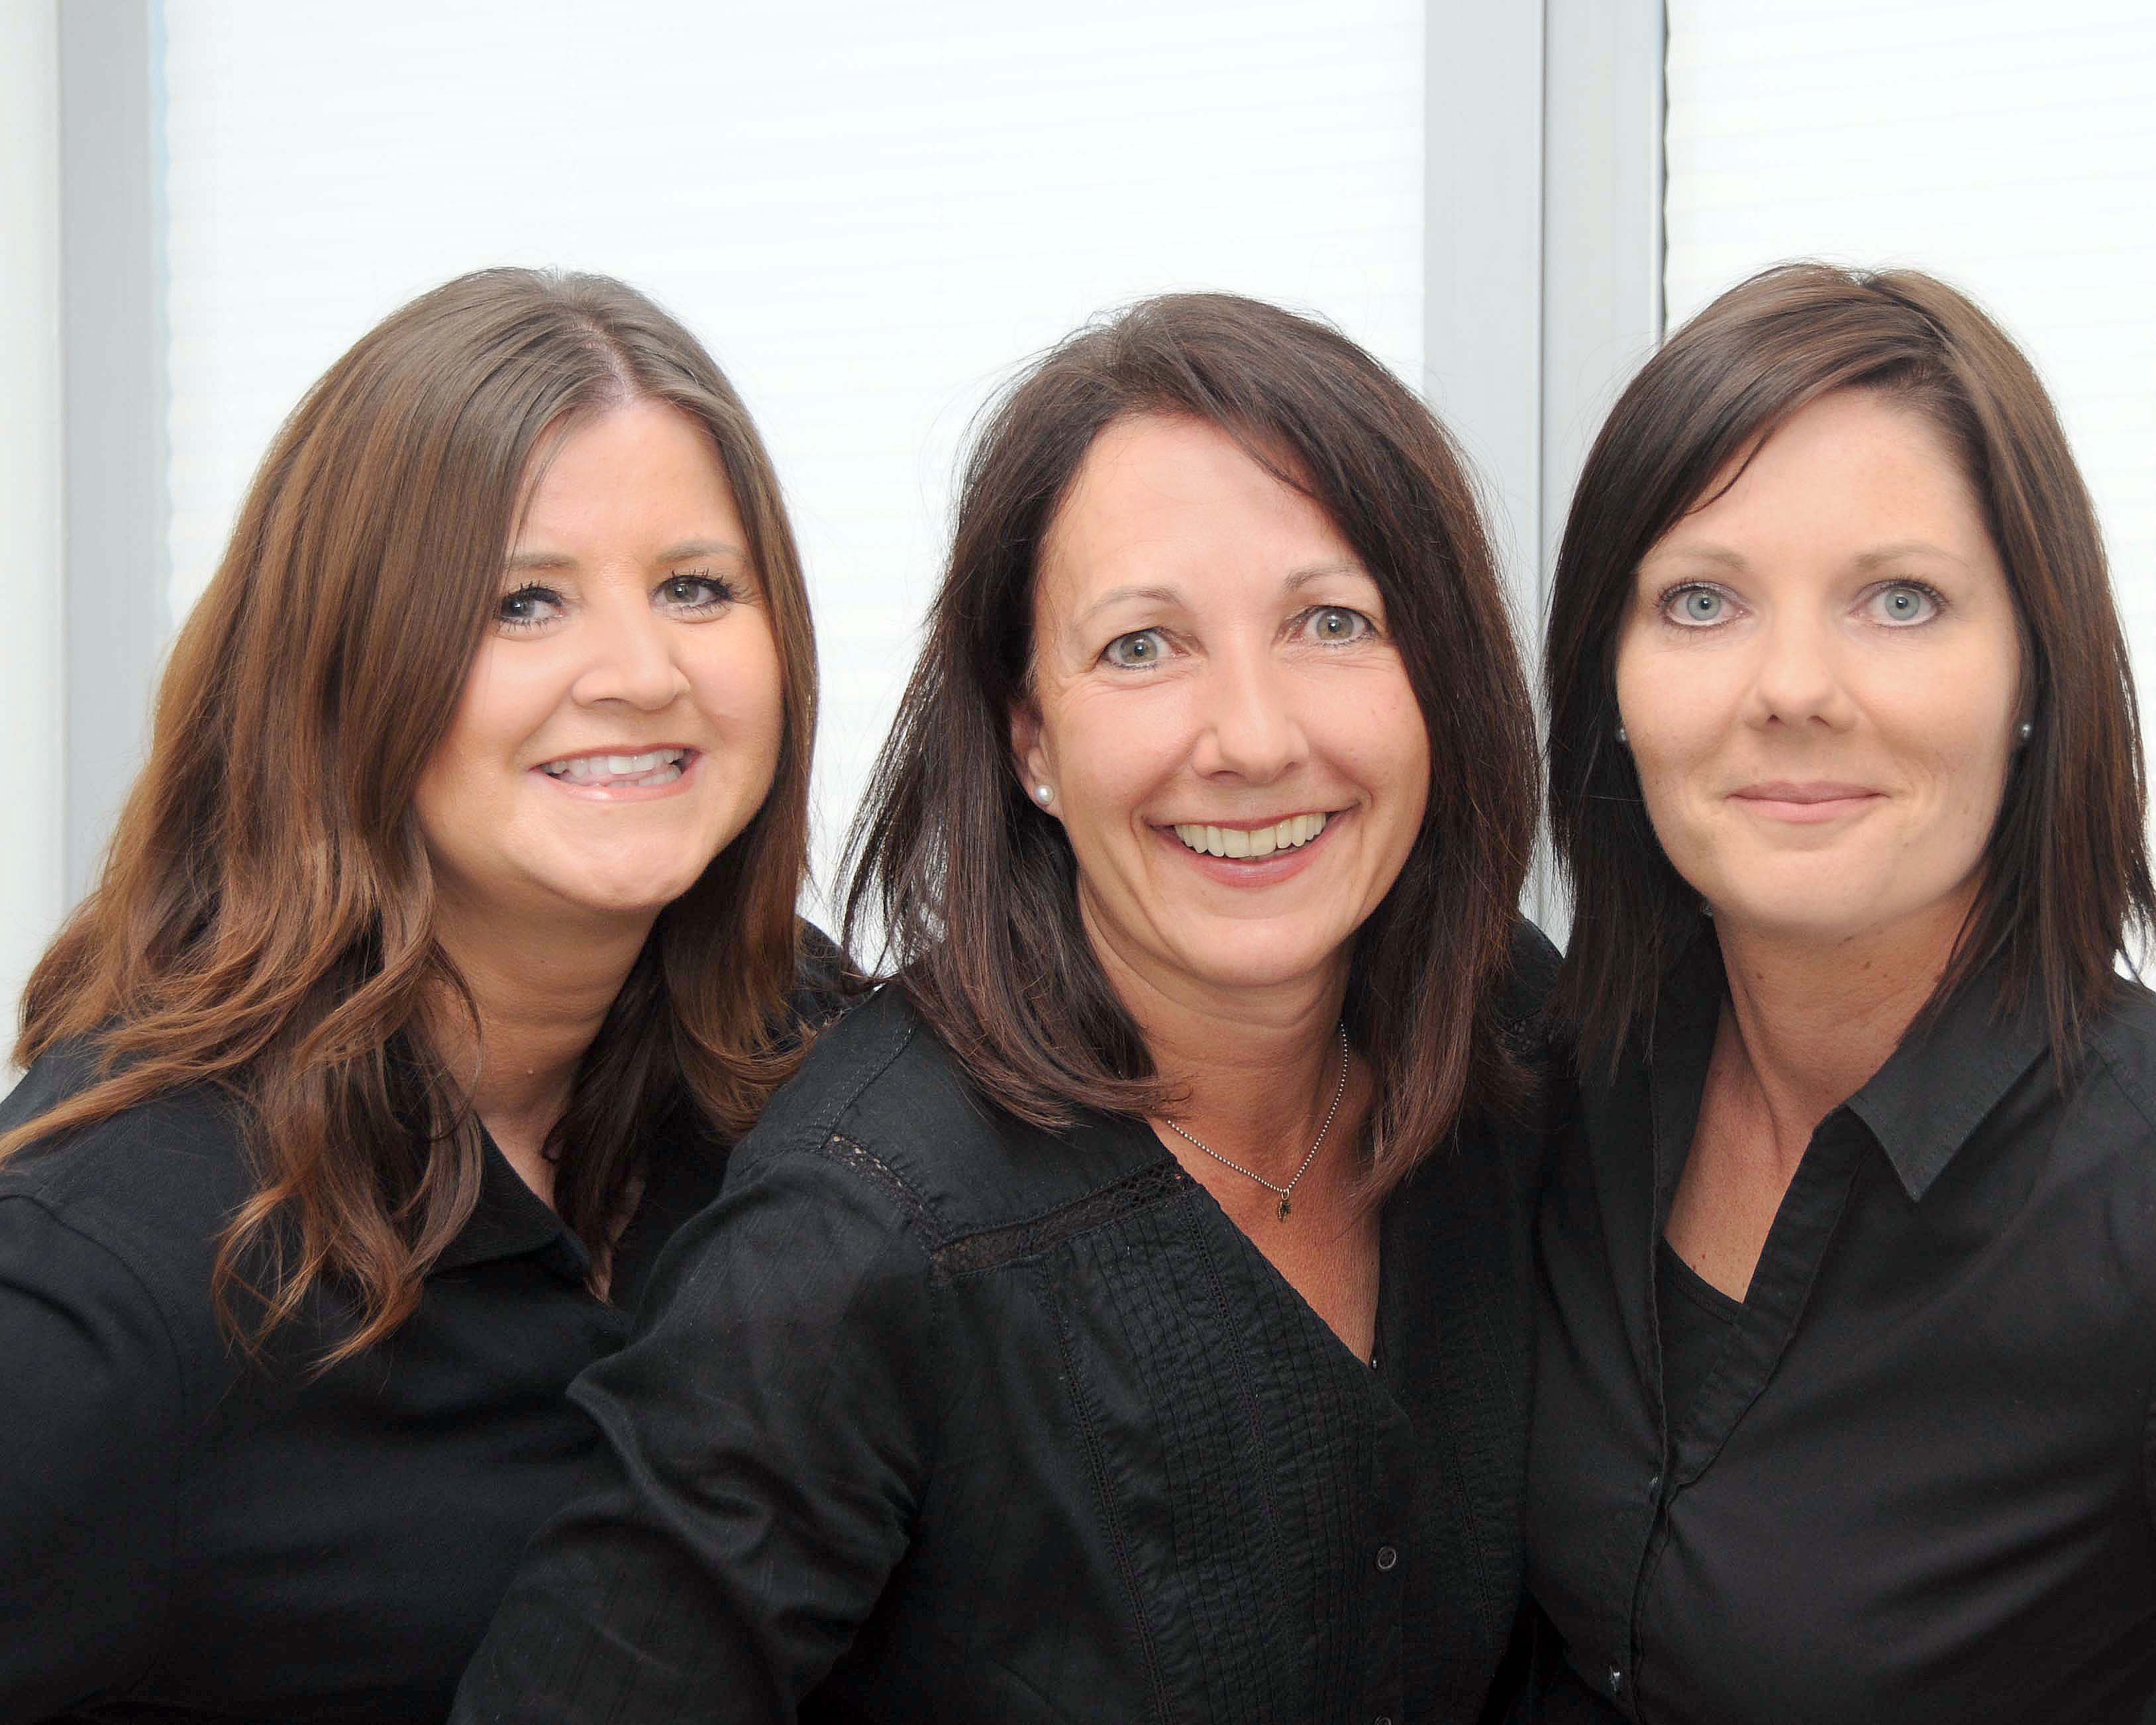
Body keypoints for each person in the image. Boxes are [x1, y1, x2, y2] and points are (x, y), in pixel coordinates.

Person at [454, 291, 1554, 1721]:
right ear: (1031, 734)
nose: (1253, 738)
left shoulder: (1512, 1033)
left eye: (1331, 622)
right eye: (1142, 646)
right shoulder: (854, 1235)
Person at [1526, 262, 2156, 1723]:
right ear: (1609, 677)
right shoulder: (1567, 1064)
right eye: (1702, 599)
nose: (1793, 686)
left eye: (1900, 600)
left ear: (2034, 673)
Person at [0, 268, 835, 1722]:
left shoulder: (809, 1075)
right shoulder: (107, 1269)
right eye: (524, 602)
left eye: (695, 587)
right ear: (338, 669)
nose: (641, 673)